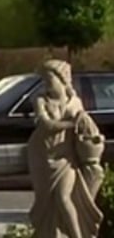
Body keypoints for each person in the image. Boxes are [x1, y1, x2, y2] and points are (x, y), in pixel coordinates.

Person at [28, 59, 104, 238]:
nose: (46, 84)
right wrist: (71, 124)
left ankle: (77, 235)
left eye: (50, 79)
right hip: (42, 154)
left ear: (63, 80)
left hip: (66, 156)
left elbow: (86, 126)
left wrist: (94, 137)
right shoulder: (40, 100)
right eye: (44, 80)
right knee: (46, 201)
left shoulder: (75, 101)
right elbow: (46, 124)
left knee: (63, 197)